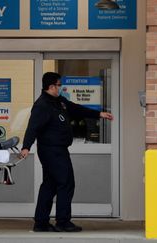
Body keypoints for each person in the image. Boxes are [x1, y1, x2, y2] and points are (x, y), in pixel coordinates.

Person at [20, 72, 113, 232]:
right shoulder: (42, 105)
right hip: (51, 150)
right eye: (59, 85)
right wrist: (26, 146)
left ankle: (41, 223)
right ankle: (63, 221)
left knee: (50, 184)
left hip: (59, 150)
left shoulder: (59, 101)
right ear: (51, 86)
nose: (60, 87)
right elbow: (32, 126)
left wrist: (98, 114)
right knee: (66, 182)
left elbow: (76, 109)